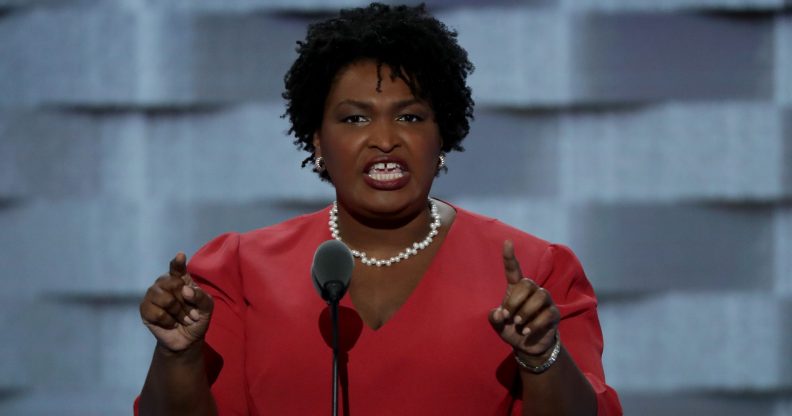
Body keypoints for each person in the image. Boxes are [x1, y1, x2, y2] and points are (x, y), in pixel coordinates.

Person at [136, 3, 622, 415]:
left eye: (410, 117)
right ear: (318, 142)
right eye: (355, 118)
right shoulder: (237, 270)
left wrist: (541, 354)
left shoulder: (538, 274)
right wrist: (177, 356)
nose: (385, 140)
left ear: (442, 136)